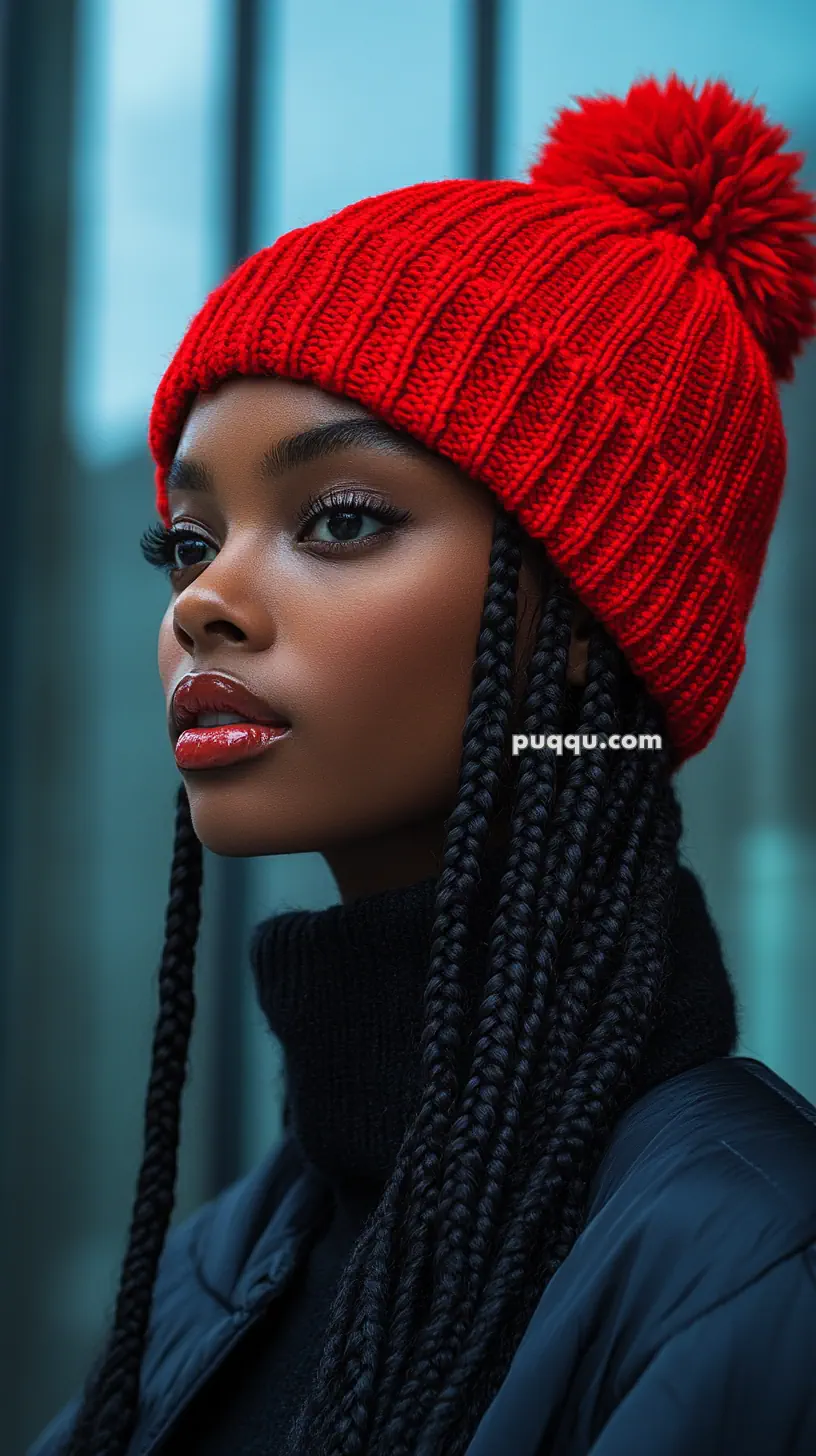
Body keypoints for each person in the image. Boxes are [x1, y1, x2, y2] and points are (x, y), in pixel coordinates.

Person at [30, 71, 816, 1456]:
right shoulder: (231, 1248)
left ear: (588, 623)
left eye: (336, 518)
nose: (199, 602)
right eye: (190, 540)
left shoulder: (756, 1267)